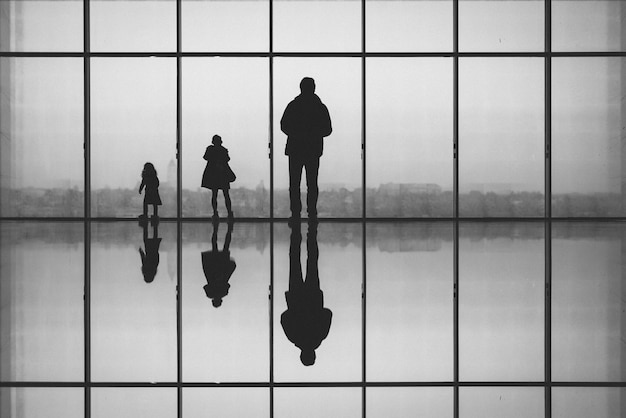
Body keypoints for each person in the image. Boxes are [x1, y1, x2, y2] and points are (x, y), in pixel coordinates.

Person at [280, 77, 332, 222]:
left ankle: (295, 213)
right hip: (313, 150)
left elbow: (284, 125)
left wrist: (297, 133)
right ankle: (312, 212)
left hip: (295, 149)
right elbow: (328, 129)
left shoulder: (293, 105)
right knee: (312, 183)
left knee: (294, 183)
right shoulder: (320, 107)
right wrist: (313, 134)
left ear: (301, 87)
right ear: (313, 88)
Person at [280, 222, 332, 366]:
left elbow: (328, 313)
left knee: (312, 261)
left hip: (313, 296)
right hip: (296, 297)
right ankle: (296, 232)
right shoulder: (294, 337)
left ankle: (311, 232)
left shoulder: (320, 335)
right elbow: (284, 318)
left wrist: (316, 311)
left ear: (313, 355)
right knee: (294, 261)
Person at [201, 219, 236, 308]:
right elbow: (206, 286)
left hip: (222, 267)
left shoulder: (223, 292)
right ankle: (216, 230)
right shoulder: (210, 293)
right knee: (215, 245)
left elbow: (227, 284)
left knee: (225, 245)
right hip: (213, 266)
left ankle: (227, 230)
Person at [201, 134, 235, 220]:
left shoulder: (210, 149)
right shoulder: (223, 150)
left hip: (213, 174)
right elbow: (227, 159)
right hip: (223, 174)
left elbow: (205, 157)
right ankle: (229, 213)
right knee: (226, 194)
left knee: (214, 194)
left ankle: (215, 213)